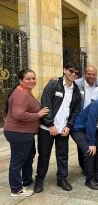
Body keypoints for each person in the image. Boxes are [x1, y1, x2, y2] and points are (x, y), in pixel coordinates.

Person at [34, 63, 81, 193]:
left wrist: (69, 126)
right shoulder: (53, 84)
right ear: (65, 70)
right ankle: (39, 179)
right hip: (47, 128)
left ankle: (62, 179)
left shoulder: (76, 90)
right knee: (44, 155)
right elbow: (45, 103)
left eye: (76, 73)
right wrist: (50, 124)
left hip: (63, 129)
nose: (73, 74)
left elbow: (76, 110)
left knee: (62, 155)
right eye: (71, 71)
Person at [4, 69, 48, 197]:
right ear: (21, 80)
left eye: (33, 78)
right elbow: (18, 114)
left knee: (28, 157)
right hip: (19, 133)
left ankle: (27, 181)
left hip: (24, 133)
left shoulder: (25, 92)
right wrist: (38, 115)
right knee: (18, 161)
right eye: (28, 78)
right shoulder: (21, 94)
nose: (32, 81)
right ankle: (16, 189)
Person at [74, 65, 98, 176]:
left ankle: (92, 167)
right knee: (82, 147)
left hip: (94, 119)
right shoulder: (77, 84)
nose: (91, 76)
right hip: (80, 119)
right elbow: (64, 83)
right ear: (84, 74)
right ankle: (84, 168)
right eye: (89, 73)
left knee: (92, 143)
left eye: (93, 74)